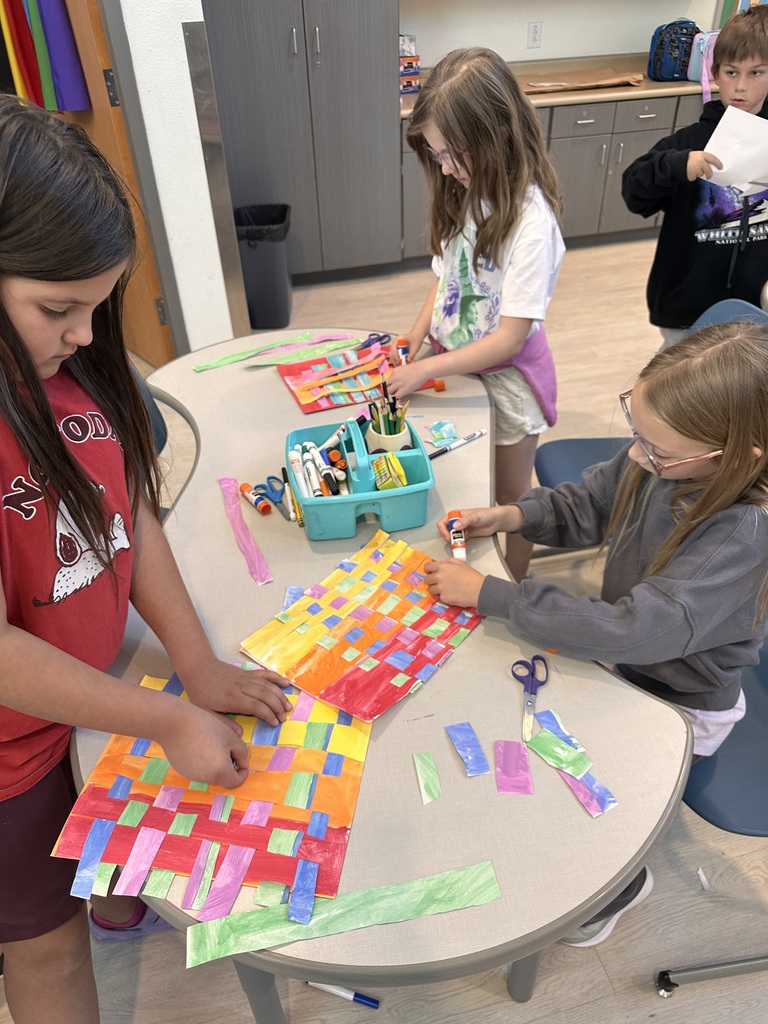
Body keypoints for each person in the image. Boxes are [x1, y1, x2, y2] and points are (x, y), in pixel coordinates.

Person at [0, 96, 292, 1024]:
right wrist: (161, 718)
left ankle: (116, 887)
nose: (85, 334)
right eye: (59, 310)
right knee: (46, 953)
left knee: (112, 851)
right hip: (9, 754)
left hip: (93, 700)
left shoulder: (75, 368)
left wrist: (196, 666)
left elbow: (135, 518)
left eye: (95, 306)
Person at [424, 321, 768, 945]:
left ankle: (622, 882)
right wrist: (514, 514)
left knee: (572, 789)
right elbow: (591, 503)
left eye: (658, 451)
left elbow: (634, 629)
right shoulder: (656, 452)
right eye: (636, 434)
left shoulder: (740, 537)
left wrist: (494, 596)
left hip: (680, 703)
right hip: (629, 665)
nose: (638, 456)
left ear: (737, 457)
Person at [387, 47, 565, 582]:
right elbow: (448, 278)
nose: (444, 167)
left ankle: (513, 588)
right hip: (456, 368)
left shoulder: (532, 224)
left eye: (453, 154)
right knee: (468, 480)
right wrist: (416, 337)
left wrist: (424, 370)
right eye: (436, 154)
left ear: (495, 139)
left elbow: (510, 338)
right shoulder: (464, 189)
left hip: (508, 381)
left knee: (510, 498)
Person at [622, 4, 768, 348]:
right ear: (715, 73)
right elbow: (635, 192)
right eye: (731, 73)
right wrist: (676, 166)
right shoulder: (687, 143)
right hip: (685, 311)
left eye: (757, 73)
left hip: (755, 312)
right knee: (675, 392)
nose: (741, 87)